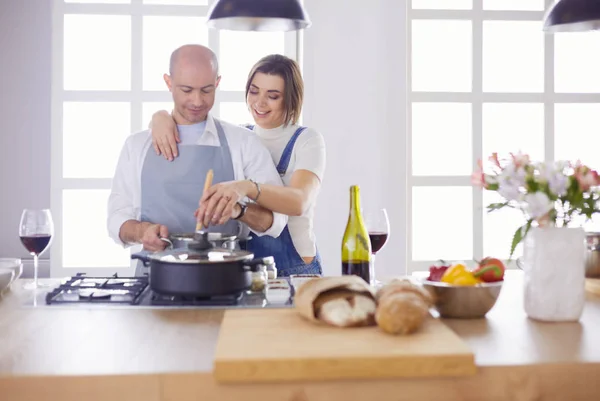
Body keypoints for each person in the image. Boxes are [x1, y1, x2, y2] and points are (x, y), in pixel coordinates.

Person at [107, 45, 287, 275]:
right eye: (187, 89)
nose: (197, 101)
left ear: (218, 83)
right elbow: (116, 219)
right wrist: (142, 232)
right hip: (154, 278)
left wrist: (239, 211)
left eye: (206, 90)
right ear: (168, 82)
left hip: (227, 278)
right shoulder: (137, 145)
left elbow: (276, 222)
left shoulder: (243, 142)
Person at [150, 54, 326, 276]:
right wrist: (160, 117)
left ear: (290, 98)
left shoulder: (307, 140)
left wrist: (246, 187)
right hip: (248, 265)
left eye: (273, 96)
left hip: (294, 265)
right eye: (254, 91)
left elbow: (299, 202)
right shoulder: (242, 137)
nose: (259, 103)